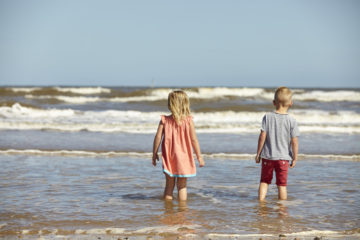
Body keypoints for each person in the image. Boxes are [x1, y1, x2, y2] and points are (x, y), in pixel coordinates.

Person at [152, 90, 205, 201]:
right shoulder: (188, 121)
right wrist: (199, 157)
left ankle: (168, 208)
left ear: (170, 104)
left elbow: (157, 137)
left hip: (169, 156)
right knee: (182, 185)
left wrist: (154, 153)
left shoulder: (164, 120)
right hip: (184, 157)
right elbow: (194, 140)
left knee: (169, 184)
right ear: (185, 104)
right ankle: (182, 209)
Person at [255, 87, 299, 201]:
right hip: (283, 158)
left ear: (274, 102)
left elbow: (262, 136)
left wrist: (258, 153)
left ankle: (261, 203)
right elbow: (294, 141)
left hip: (268, 156)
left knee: (264, 181)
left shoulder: (267, 117)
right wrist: (295, 157)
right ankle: (282, 209)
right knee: (282, 185)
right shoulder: (292, 120)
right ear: (291, 103)